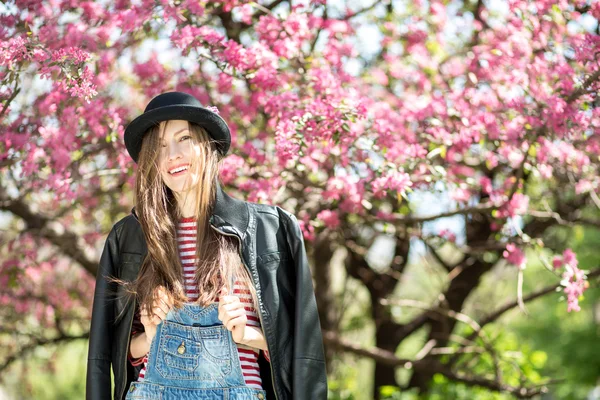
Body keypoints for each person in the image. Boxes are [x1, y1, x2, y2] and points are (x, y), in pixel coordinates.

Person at [86, 91, 327, 400]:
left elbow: (302, 348)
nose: (172, 154)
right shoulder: (129, 236)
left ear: (207, 145)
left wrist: (246, 333)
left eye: (183, 139)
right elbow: (110, 351)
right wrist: (150, 333)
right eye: (159, 147)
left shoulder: (269, 229)